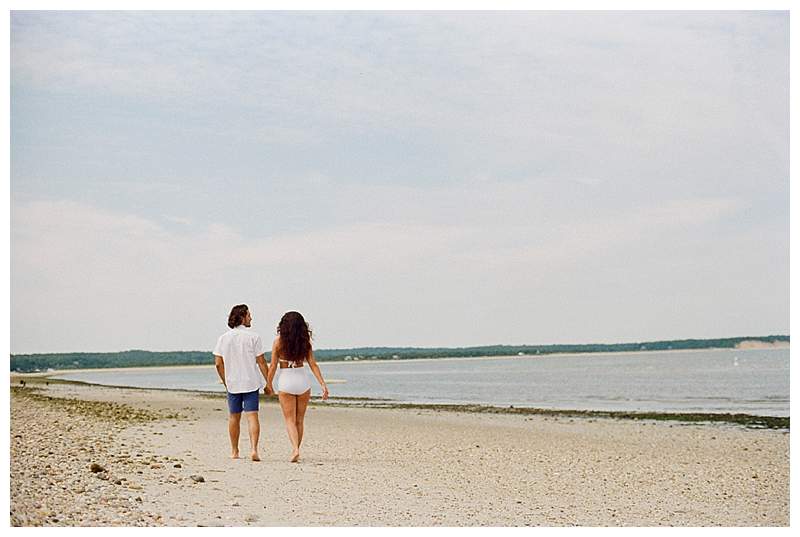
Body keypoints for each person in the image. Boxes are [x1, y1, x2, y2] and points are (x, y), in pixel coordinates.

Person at [267, 311, 329, 462]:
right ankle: (297, 449)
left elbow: (273, 365)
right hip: (302, 380)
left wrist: (268, 384)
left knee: (289, 420)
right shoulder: (305, 341)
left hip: (286, 381)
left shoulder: (278, 342)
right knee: (299, 420)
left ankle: (295, 449)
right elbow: (313, 364)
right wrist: (323, 384)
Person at [213, 304, 271, 461]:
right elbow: (261, 362)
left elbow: (218, 363)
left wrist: (226, 381)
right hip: (250, 382)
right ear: (242, 317)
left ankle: (234, 451)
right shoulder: (253, 337)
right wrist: (269, 383)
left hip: (233, 384)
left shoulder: (223, 338)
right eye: (249, 315)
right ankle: (254, 450)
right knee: (252, 416)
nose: (251, 318)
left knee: (234, 417)